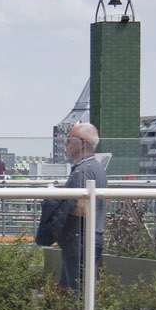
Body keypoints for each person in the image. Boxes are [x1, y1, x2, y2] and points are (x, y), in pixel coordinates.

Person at [44, 120, 112, 294]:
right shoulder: (97, 167)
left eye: (68, 140)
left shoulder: (81, 171)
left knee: (74, 292)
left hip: (78, 238)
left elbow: (82, 208)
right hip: (92, 236)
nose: (65, 144)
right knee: (78, 289)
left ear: (81, 143)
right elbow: (105, 200)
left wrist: (55, 201)